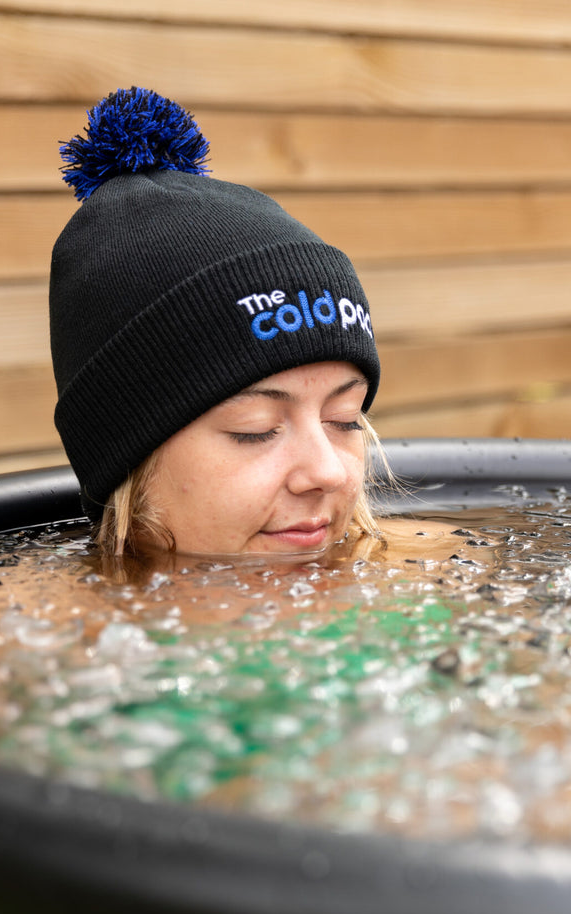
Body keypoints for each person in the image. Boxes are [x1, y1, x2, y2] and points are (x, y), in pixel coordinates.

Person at [48, 87, 390, 564]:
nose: (328, 472)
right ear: (128, 467)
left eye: (345, 419)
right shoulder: (20, 629)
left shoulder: (440, 575)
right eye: (255, 429)